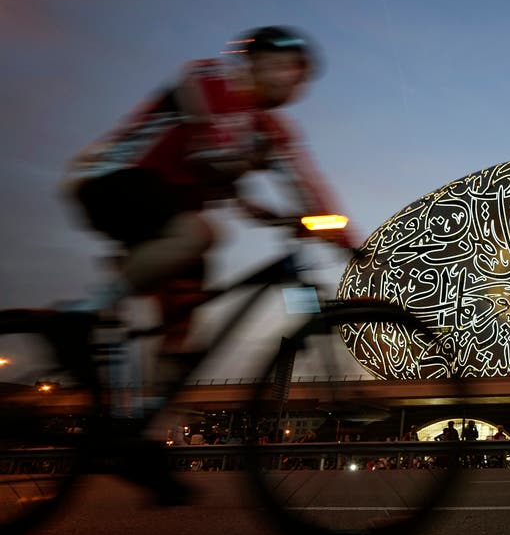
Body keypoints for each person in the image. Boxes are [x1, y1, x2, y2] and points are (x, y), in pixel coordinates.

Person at [62, 25, 356, 381]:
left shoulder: (271, 129)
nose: (294, 81)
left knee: (182, 327)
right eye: (285, 66)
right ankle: (83, 313)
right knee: (199, 234)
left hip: (167, 208)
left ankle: (142, 423)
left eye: (300, 75)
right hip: (114, 178)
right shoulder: (212, 79)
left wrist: (348, 241)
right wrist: (245, 175)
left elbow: (306, 185)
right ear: (254, 62)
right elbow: (211, 139)